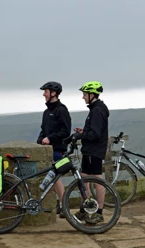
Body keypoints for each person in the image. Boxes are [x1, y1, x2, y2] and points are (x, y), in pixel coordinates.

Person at [72, 81, 109, 223]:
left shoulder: (97, 111)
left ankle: (99, 211)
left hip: (94, 151)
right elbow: (93, 131)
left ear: (91, 94)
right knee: (83, 179)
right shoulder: (95, 109)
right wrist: (84, 131)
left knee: (97, 180)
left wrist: (80, 136)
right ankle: (85, 209)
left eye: (84, 94)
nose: (83, 97)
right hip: (90, 150)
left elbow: (95, 134)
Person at [36, 81, 72, 217]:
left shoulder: (62, 110)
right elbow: (43, 130)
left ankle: (64, 206)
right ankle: (62, 205)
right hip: (47, 149)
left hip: (57, 149)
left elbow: (66, 131)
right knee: (53, 178)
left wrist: (50, 138)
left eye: (45, 91)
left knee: (56, 178)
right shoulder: (47, 112)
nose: (43, 94)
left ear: (53, 93)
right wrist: (39, 141)